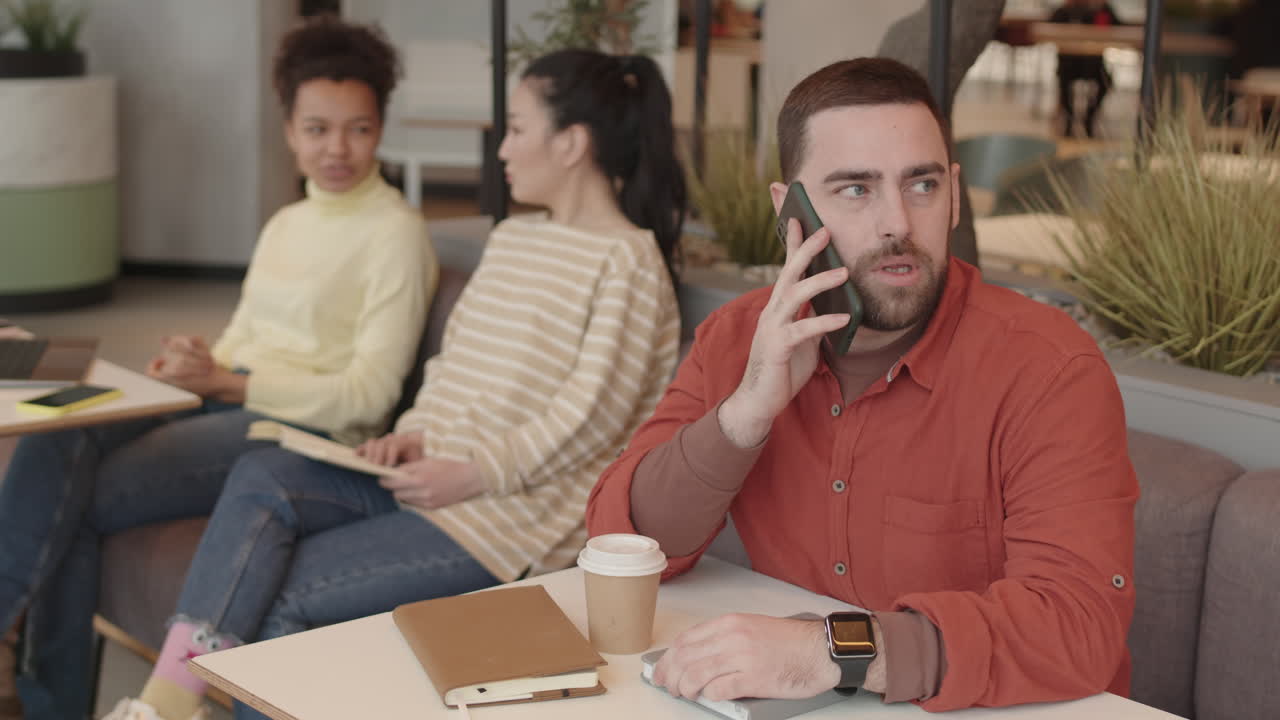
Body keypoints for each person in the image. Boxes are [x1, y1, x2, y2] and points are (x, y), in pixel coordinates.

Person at [104, 47, 686, 720]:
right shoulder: (516, 238)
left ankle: (167, 707)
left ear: (572, 143)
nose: (502, 149)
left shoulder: (628, 263)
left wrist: (471, 474)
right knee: (263, 475)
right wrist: (413, 434)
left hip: (503, 524)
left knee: (281, 601)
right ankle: (169, 706)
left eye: (517, 128)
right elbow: (455, 366)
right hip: (425, 479)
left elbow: (592, 418)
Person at [587, 57, 1137, 711]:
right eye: (856, 189)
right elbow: (627, 543)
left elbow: (1079, 624)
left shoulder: (1050, 371)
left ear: (955, 196)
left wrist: (836, 650)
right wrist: (745, 414)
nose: (898, 222)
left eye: (923, 185)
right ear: (788, 210)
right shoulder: (740, 339)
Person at [0, 16, 434, 720]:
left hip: (297, 429)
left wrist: (227, 381)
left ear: (380, 129)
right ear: (288, 131)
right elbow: (243, 337)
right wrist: (199, 360)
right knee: (62, 426)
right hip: (229, 398)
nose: (337, 149)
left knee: (77, 493)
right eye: (317, 129)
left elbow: (367, 396)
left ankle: (50, 700)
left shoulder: (396, 234)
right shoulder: (287, 223)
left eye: (357, 129)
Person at [1050, 0, 1123, 137]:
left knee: (1106, 82)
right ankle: (1069, 119)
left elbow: (1118, 27)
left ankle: (1089, 117)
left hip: (1093, 64)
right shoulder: (1066, 10)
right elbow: (1051, 26)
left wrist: (1102, 8)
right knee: (1064, 81)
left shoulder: (1101, 9)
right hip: (1069, 63)